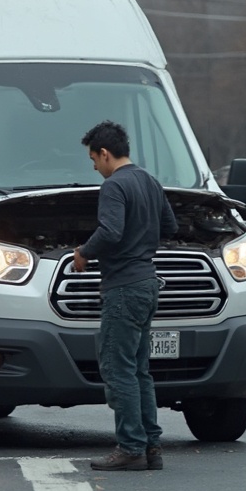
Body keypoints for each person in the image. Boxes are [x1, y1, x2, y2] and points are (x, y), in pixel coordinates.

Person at [73, 120, 178, 471]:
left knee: (118, 370)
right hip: (148, 283)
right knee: (140, 371)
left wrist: (84, 252)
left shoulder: (114, 186)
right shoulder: (149, 180)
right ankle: (151, 447)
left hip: (123, 288)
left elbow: (111, 231)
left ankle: (130, 447)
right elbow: (171, 226)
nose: (94, 167)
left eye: (93, 159)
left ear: (105, 153)